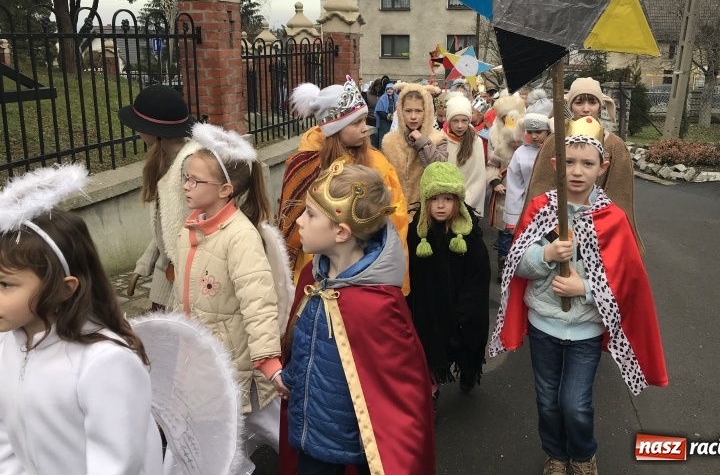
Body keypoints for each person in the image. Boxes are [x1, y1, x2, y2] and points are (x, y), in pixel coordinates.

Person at [489, 117, 668, 475]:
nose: (576, 171)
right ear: (556, 164)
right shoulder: (541, 208)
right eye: (569, 162)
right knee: (547, 400)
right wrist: (546, 255)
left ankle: (583, 455)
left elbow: (627, 282)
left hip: (586, 329)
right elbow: (516, 265)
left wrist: (584, 289)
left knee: (575, 404)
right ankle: (556, 455)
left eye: (587, 163)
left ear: (602, 168)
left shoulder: (613, 218)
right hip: (544, 324)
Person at [0, 164, 163, 475]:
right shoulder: (6, 343)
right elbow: (5, 437)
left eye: (6, 284)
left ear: (64, 288)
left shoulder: (104, 362)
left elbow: (116, 463)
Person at [280, 160, 435, 475]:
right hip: (311, 436)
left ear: (341, 232)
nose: (299, 221)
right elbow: (304, 346)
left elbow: (398, 394)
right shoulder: (312, 278)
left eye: (310, 214)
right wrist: (289, 378)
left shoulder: (378, 304)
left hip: (359, 447)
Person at [174, 123, 288, 462]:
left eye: (196, 181)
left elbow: (258, 303)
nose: (186, 185)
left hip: (238, 362)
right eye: (185, 177)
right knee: (223, 438)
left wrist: (268, 361)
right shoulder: (191, 229)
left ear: (225, 190)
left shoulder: (240, 237)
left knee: (272, 429)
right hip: (204, 358)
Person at [278, 75, 409, 291]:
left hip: (364, 268)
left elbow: (395, 218)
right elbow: (291, 221)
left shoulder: (377, 164)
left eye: (364, 120)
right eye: (356, 123)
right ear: (335, 129)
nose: (365, 128)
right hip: (314, 267)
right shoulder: (304, 164)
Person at [407, 163, 491, 413]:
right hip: (430, 305)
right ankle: (431, 389)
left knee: (467, 343)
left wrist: (468, 307)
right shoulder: (417, 233)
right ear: (426, 199)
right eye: (434, 199)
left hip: (462, 303)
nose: (441, 205)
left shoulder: (470, 235)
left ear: (458, 200)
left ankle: (468, 371)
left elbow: (479, 273)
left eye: (448, 199)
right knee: (429, 347)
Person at [524, 77, 642, 249]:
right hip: (555, 225)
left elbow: (620, 197)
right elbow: (540, 187)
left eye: (592, 102)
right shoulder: (554, 142)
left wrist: (612, 237)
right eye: (579, 102)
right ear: (570, 105)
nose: (586, 109)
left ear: (600, 105)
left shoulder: (615, 146)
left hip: (599, 231)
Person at [119, 85, 199, 310]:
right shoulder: (167, 160)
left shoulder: (189, 166)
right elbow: (167, 225)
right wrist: (146, 262)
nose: (137, 131)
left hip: (184, 278)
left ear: (155, 131)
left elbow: (191, 229)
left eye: (139, 126)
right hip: (167, 275)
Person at [380, 82, 448, 215]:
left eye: (418, 111)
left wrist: (422, 141)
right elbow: (384, 178)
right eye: (408, 111)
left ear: (427, 111)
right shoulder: (389, 141)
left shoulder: (438, 139)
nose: (413, 117)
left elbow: (440, 171)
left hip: (425, 213)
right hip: (395, 212)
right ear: (400, 112)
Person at [485, 93, 526, 274]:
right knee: (505, 231)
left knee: (522, 229)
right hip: (505, 189)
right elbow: (491, 163)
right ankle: (504, 265)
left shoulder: (529, 136)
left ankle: (520, 264)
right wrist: (494, 181)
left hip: (525, 191)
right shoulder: (496, 137)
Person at [503, 102, 552, 235]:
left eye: (538, 132)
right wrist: (513, 218)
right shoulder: (521, 153)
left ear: (549, 131)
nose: (534, 136)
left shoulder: (559, 152)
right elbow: (514, 187)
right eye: (530, 132)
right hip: (528, 208)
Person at [444, 94, 486, 216]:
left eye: (464, 120)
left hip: (468, 204)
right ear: (449, 121)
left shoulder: (476, 141)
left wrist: (463, 203)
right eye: (455, 121)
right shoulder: (441, 139)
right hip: (444, 204)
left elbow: (478, 178)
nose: (460, 125)